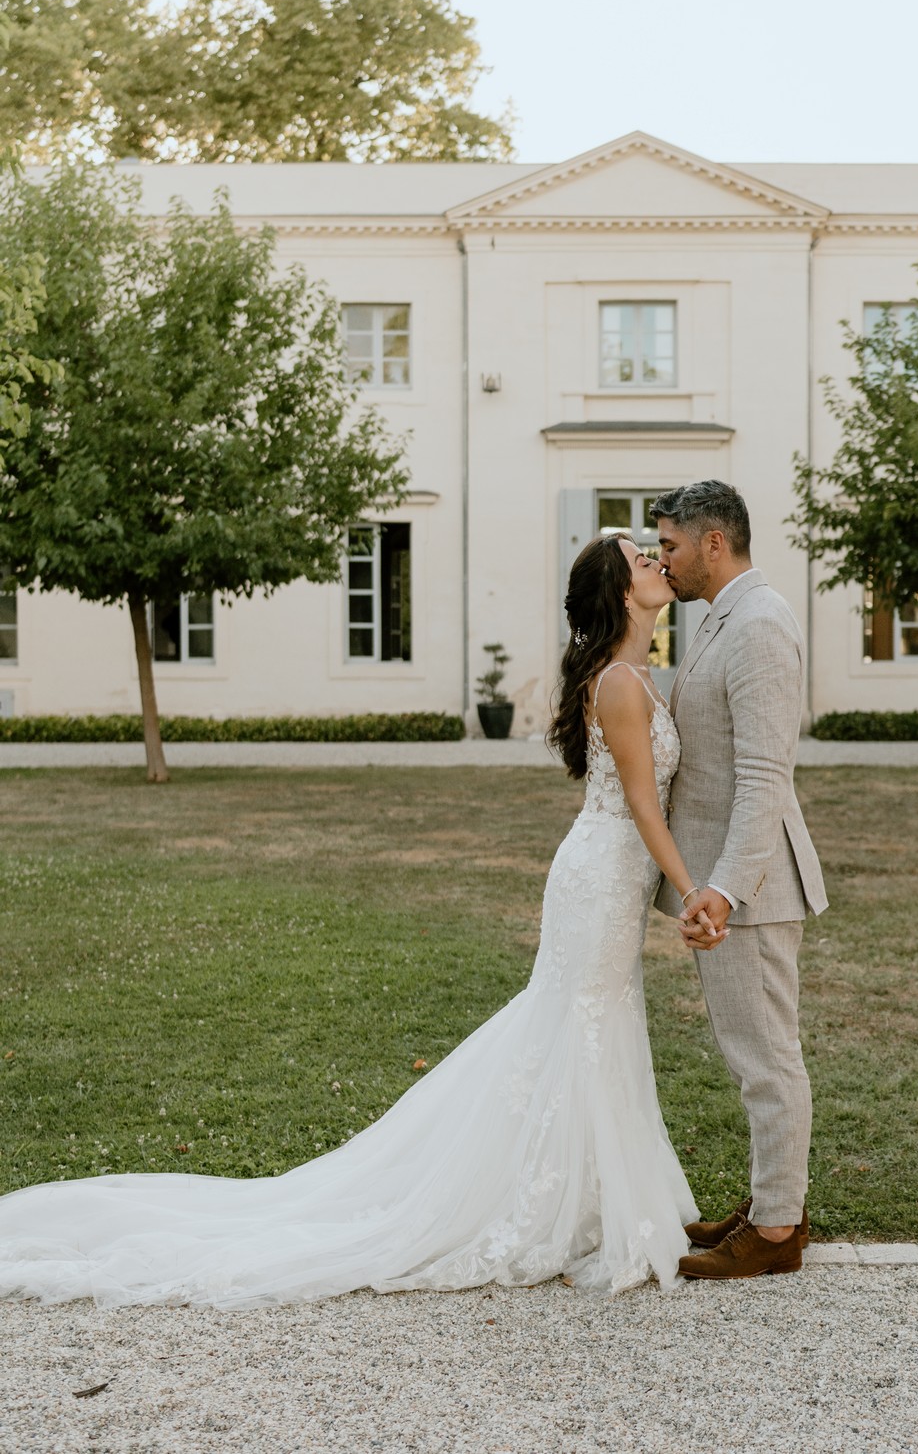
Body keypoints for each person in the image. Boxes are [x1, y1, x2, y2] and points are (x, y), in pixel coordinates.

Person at [0, 533, 709, 1309]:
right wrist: (693, 889)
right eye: (641, 558)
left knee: (592, 1021)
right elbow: (642, 803)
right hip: (601, 876)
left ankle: (587, 1191)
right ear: (618, 590)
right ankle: (558, 1196)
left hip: (605, 874)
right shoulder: (617, 684)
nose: (656, 561)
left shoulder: (636, 676)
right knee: (582, 1020)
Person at [650, 480, 828, 1281]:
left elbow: (763, 775)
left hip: (750, 889)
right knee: (753, 1051)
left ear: (714, 541)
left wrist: (720, 888)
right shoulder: (728, 614)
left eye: (672, 547)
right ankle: (769, 1199)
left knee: (766, 1058)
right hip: (732, 881)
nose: (665, 561)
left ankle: (779, 1229)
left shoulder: (757, 624)